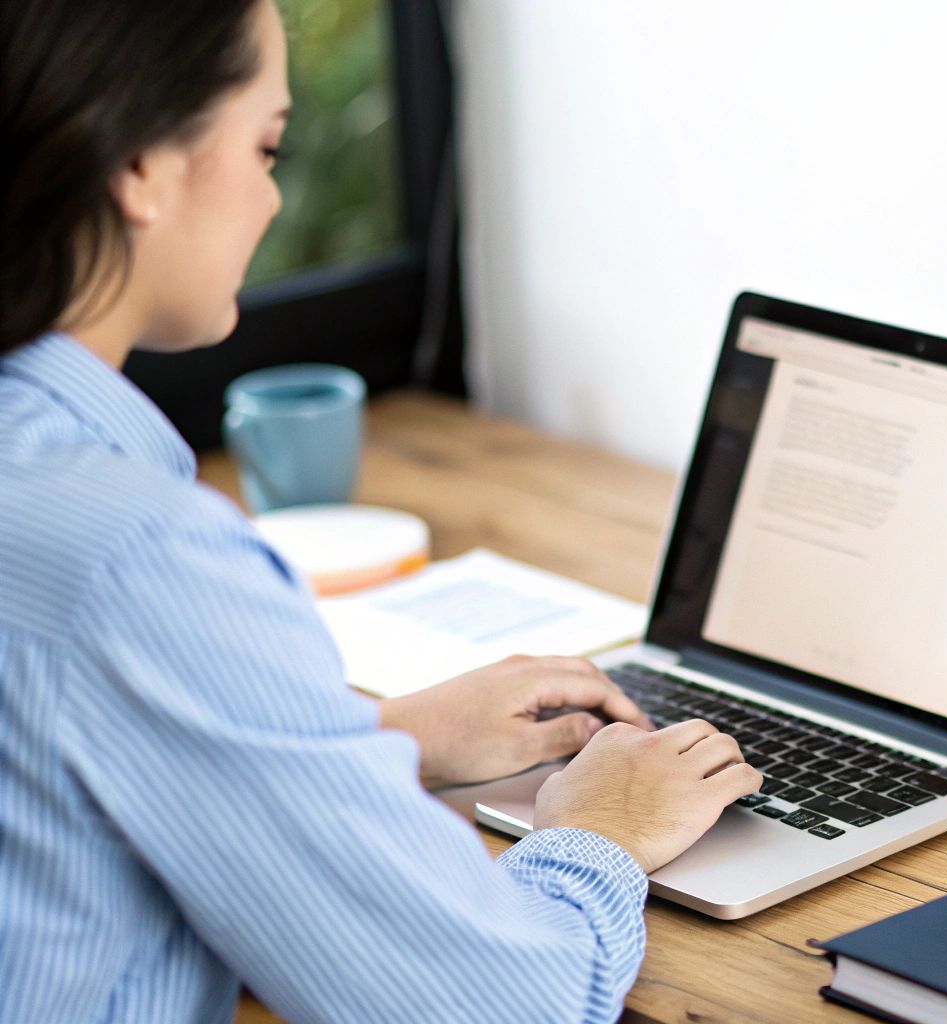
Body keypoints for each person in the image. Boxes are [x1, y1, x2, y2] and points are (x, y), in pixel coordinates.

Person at [0, 2, 761, 1020]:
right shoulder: (140, 556)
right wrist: (602, 829)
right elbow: (495, 1005)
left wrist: (376, 735)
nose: (273, 197)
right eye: (266, 146)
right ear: (140, 165)